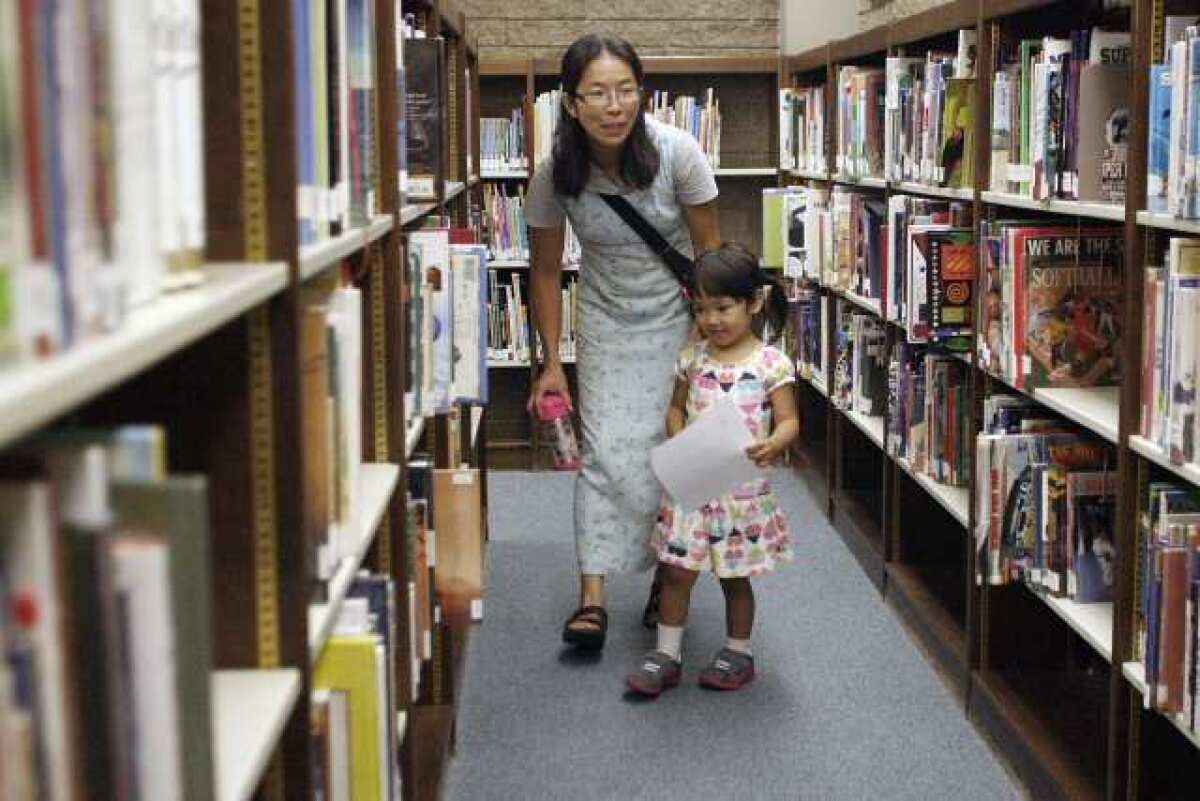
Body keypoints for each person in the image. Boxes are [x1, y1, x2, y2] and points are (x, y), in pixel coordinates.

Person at [525, 32, 721, 650]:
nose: (615, 106)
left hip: (678, 316)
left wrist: (707, 337)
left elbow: (710, 253)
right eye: (598, 93)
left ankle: (668, 582)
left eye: (627, 90)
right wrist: (552, 360)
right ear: (571, 102)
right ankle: (593, 599)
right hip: (606, 318)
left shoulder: (678, 152)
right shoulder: (556, 171)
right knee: (605, 452)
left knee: (671, 447)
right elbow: (547, 271)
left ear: (642, 92)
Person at [626, 243, 799, 697]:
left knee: (733, 576)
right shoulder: (693, 358)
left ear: (754, 303)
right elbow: (675, 410)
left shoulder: (770, 364)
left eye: (723, 308)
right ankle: (667, 653)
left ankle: (737, 651)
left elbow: (789, 422)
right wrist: (680, 437)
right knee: (677, 571)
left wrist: (773, 443)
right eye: (701, 309)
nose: (712, 320)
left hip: (740, 491)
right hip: (693, 483)